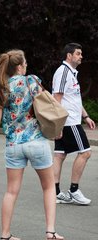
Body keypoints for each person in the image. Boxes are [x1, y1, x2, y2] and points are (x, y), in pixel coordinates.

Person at [0, 50, 64, 240]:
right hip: (36, 141)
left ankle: (5, 235)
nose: (27, 65)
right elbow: (47, 106)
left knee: (11, 191)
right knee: (49, 187)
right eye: (25, 63)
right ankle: (50, 231)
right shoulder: (31, 81)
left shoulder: (1, 88)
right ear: (19, 66)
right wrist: (56, 127)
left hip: (13, 145)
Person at [52, 43, 95, 205]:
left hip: (70, 120)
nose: (81, 56)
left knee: (59, 155)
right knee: (85, 152)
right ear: (69, 56)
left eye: (81, 53)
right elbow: (57, 99)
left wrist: (86, 116)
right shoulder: (63, 72)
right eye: (78, 53)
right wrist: (58, 125)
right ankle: (74, 190)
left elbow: (73, 99)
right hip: (68, 122)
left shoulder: (71, 73)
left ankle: (55, 193)